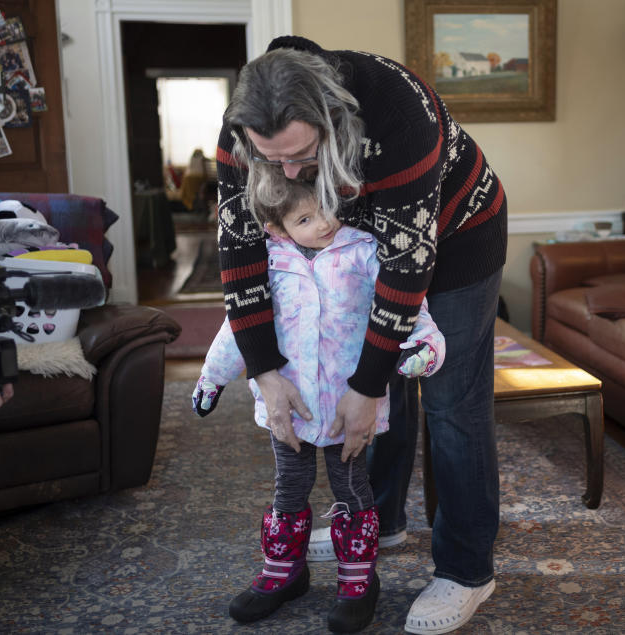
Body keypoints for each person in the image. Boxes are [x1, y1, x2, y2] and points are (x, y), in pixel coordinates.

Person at [216, 36, 507, 634]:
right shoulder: (244, 132)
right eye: (274, 162)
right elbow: (242, 251)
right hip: (348, 244)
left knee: (449, 400)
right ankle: (385, 517)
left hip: (452, 238)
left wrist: (367, 382)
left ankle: (467, 571)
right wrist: (265, 372)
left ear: (333, 115)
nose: (289, 173)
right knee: (369, 385)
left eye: (301, 156)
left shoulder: (397, 113)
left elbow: (406, 267)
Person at [192, 182, 444, 632]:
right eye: (304, 219)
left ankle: (358, 580)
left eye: (326, 210)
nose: (324, 223)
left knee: (351, 486)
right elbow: (239, 325)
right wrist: (213, 377)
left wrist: (424, 345)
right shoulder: (270, 262)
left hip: (350, 404)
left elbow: (406, 307)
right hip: (290, 406)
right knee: (289, 484)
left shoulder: (364, 251)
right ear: (277, 227)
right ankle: (283, 570)